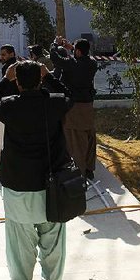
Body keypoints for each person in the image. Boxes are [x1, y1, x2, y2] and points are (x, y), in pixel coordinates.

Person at [0, 60, 74, 280]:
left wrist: (5, 79)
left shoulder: (10, 106)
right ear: (40, 79)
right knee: (53, 240)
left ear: (18, 82)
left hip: (19, 186)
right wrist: (49, 77)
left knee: (20, 242)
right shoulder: (54, 104)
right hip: (52, 186)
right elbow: (69, 95)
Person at [50, 36, 98, 180]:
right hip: (88, 105)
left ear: (77, 51)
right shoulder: (92, 63)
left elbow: (55, 58)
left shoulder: (71, 63)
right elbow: (82, 58)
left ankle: (79, 173)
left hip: (74, 106)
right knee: (89, 137)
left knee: (75, 140)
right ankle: (89, 169)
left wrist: (55, 44)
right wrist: (71, 47)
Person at [0, 44, 18, 179]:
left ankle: (1, 168)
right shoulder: (19, 65)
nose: (2, 57)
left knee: (1, 141)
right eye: (1, 55)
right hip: (17, 107)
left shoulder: (8, 68)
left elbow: (3, 90)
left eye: (4, 55)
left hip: (7, 108)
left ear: (11, 54)